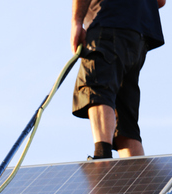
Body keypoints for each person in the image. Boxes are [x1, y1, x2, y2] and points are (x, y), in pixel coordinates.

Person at [71, 0, 166, 159]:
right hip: (139, 35)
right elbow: (160, 1)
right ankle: (137, 179)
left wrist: (76, 22)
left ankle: (102, 157)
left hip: (108, 22)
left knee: (97, 88)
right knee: (125, 119)